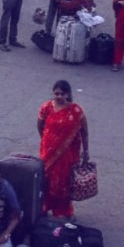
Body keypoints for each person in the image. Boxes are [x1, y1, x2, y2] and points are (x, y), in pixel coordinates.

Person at [37, 80, 89, 219]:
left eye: (62, 94)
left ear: (68, 94)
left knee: (62, 183)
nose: (59, 96)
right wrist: (46, 140)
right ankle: (44, 207)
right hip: (47, 151)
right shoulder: (46, 107)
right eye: (56, 93)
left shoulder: (76, 111)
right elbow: (40, 124)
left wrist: (86, 151)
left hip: (66, 154)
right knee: (45, 180)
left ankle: (63, 211)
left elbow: (84, 132)